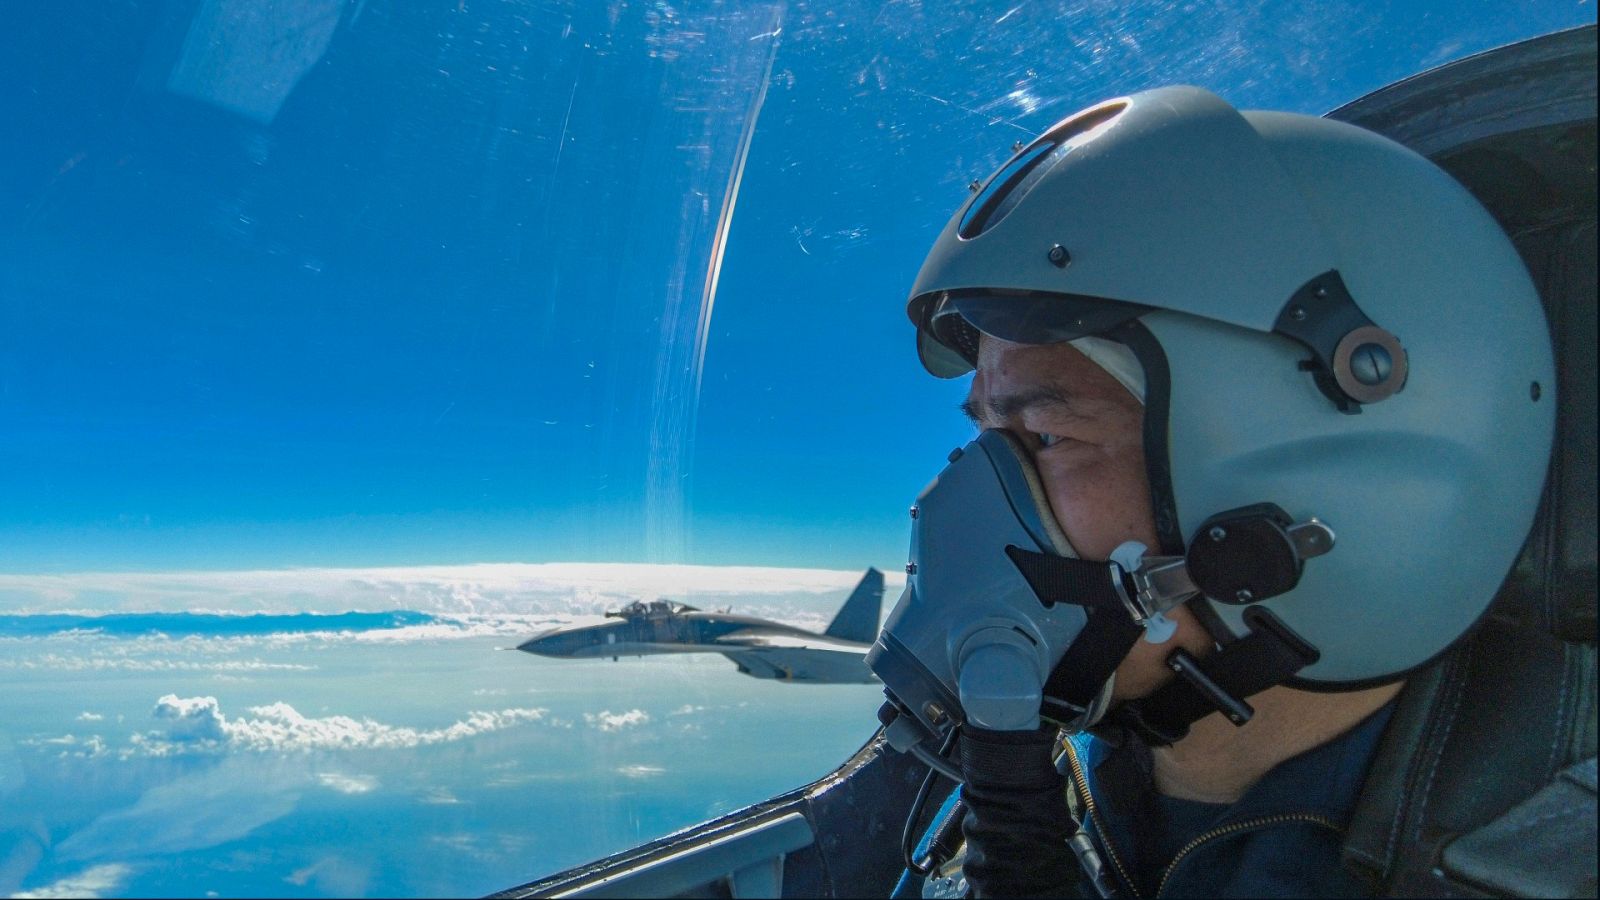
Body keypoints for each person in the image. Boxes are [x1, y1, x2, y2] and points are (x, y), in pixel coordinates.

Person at [882, 86, 1576, 897]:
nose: (958, 501)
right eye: (984, 437)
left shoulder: (1546, 854)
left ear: (1311, 476)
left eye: (1046, 436)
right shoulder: (1024, 785)